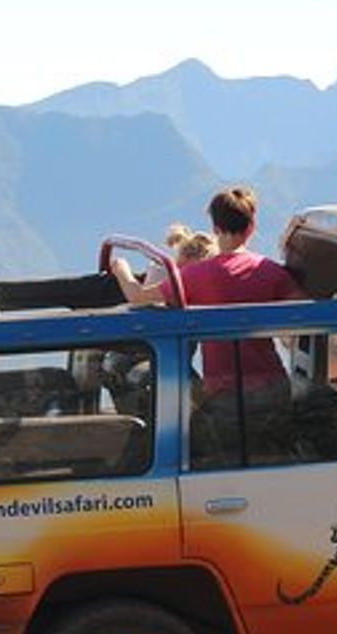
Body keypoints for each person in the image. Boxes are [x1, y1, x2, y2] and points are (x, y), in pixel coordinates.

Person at [112, 188, 304, 463]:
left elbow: (138, 296)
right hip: (273, 389)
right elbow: (307, 308)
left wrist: (121, 269)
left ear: (215, 227)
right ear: (251, 227)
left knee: (222, 462)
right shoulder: (271, 272)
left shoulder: (196, 276)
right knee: (275, 457)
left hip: (226, 397)